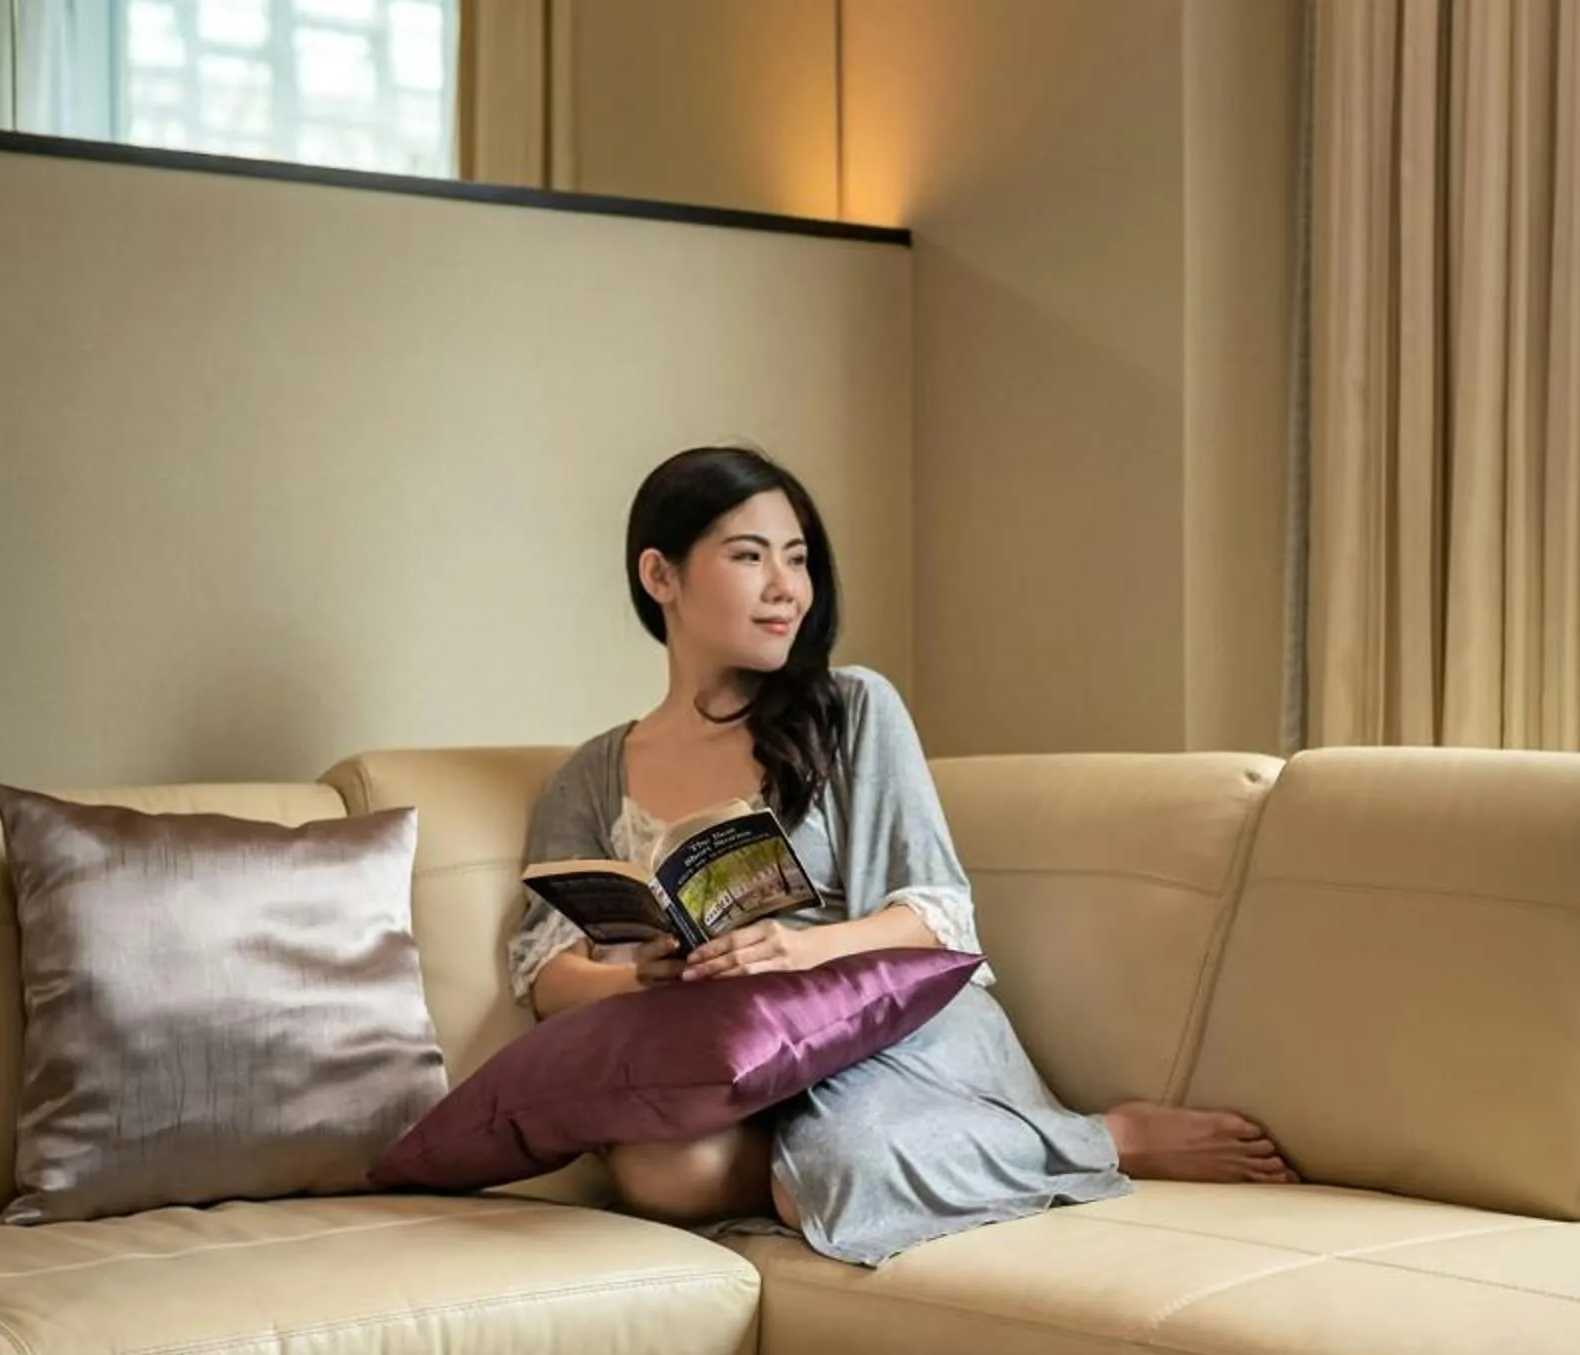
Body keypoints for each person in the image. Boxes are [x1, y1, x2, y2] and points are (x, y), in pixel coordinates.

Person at [509, 444, 1293, 1267]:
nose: (787, 588)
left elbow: (936, 915)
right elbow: (546, 975)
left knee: (845, 1167)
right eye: (749, 557)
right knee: (661, 1174)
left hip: (882, 1024)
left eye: (799, 559)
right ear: (660, 576)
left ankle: (1102, 1136)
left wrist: (797, 947)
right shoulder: (591, 776)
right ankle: (817, 1171)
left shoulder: (852, 709)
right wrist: (643, 976)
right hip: (723, 1051)